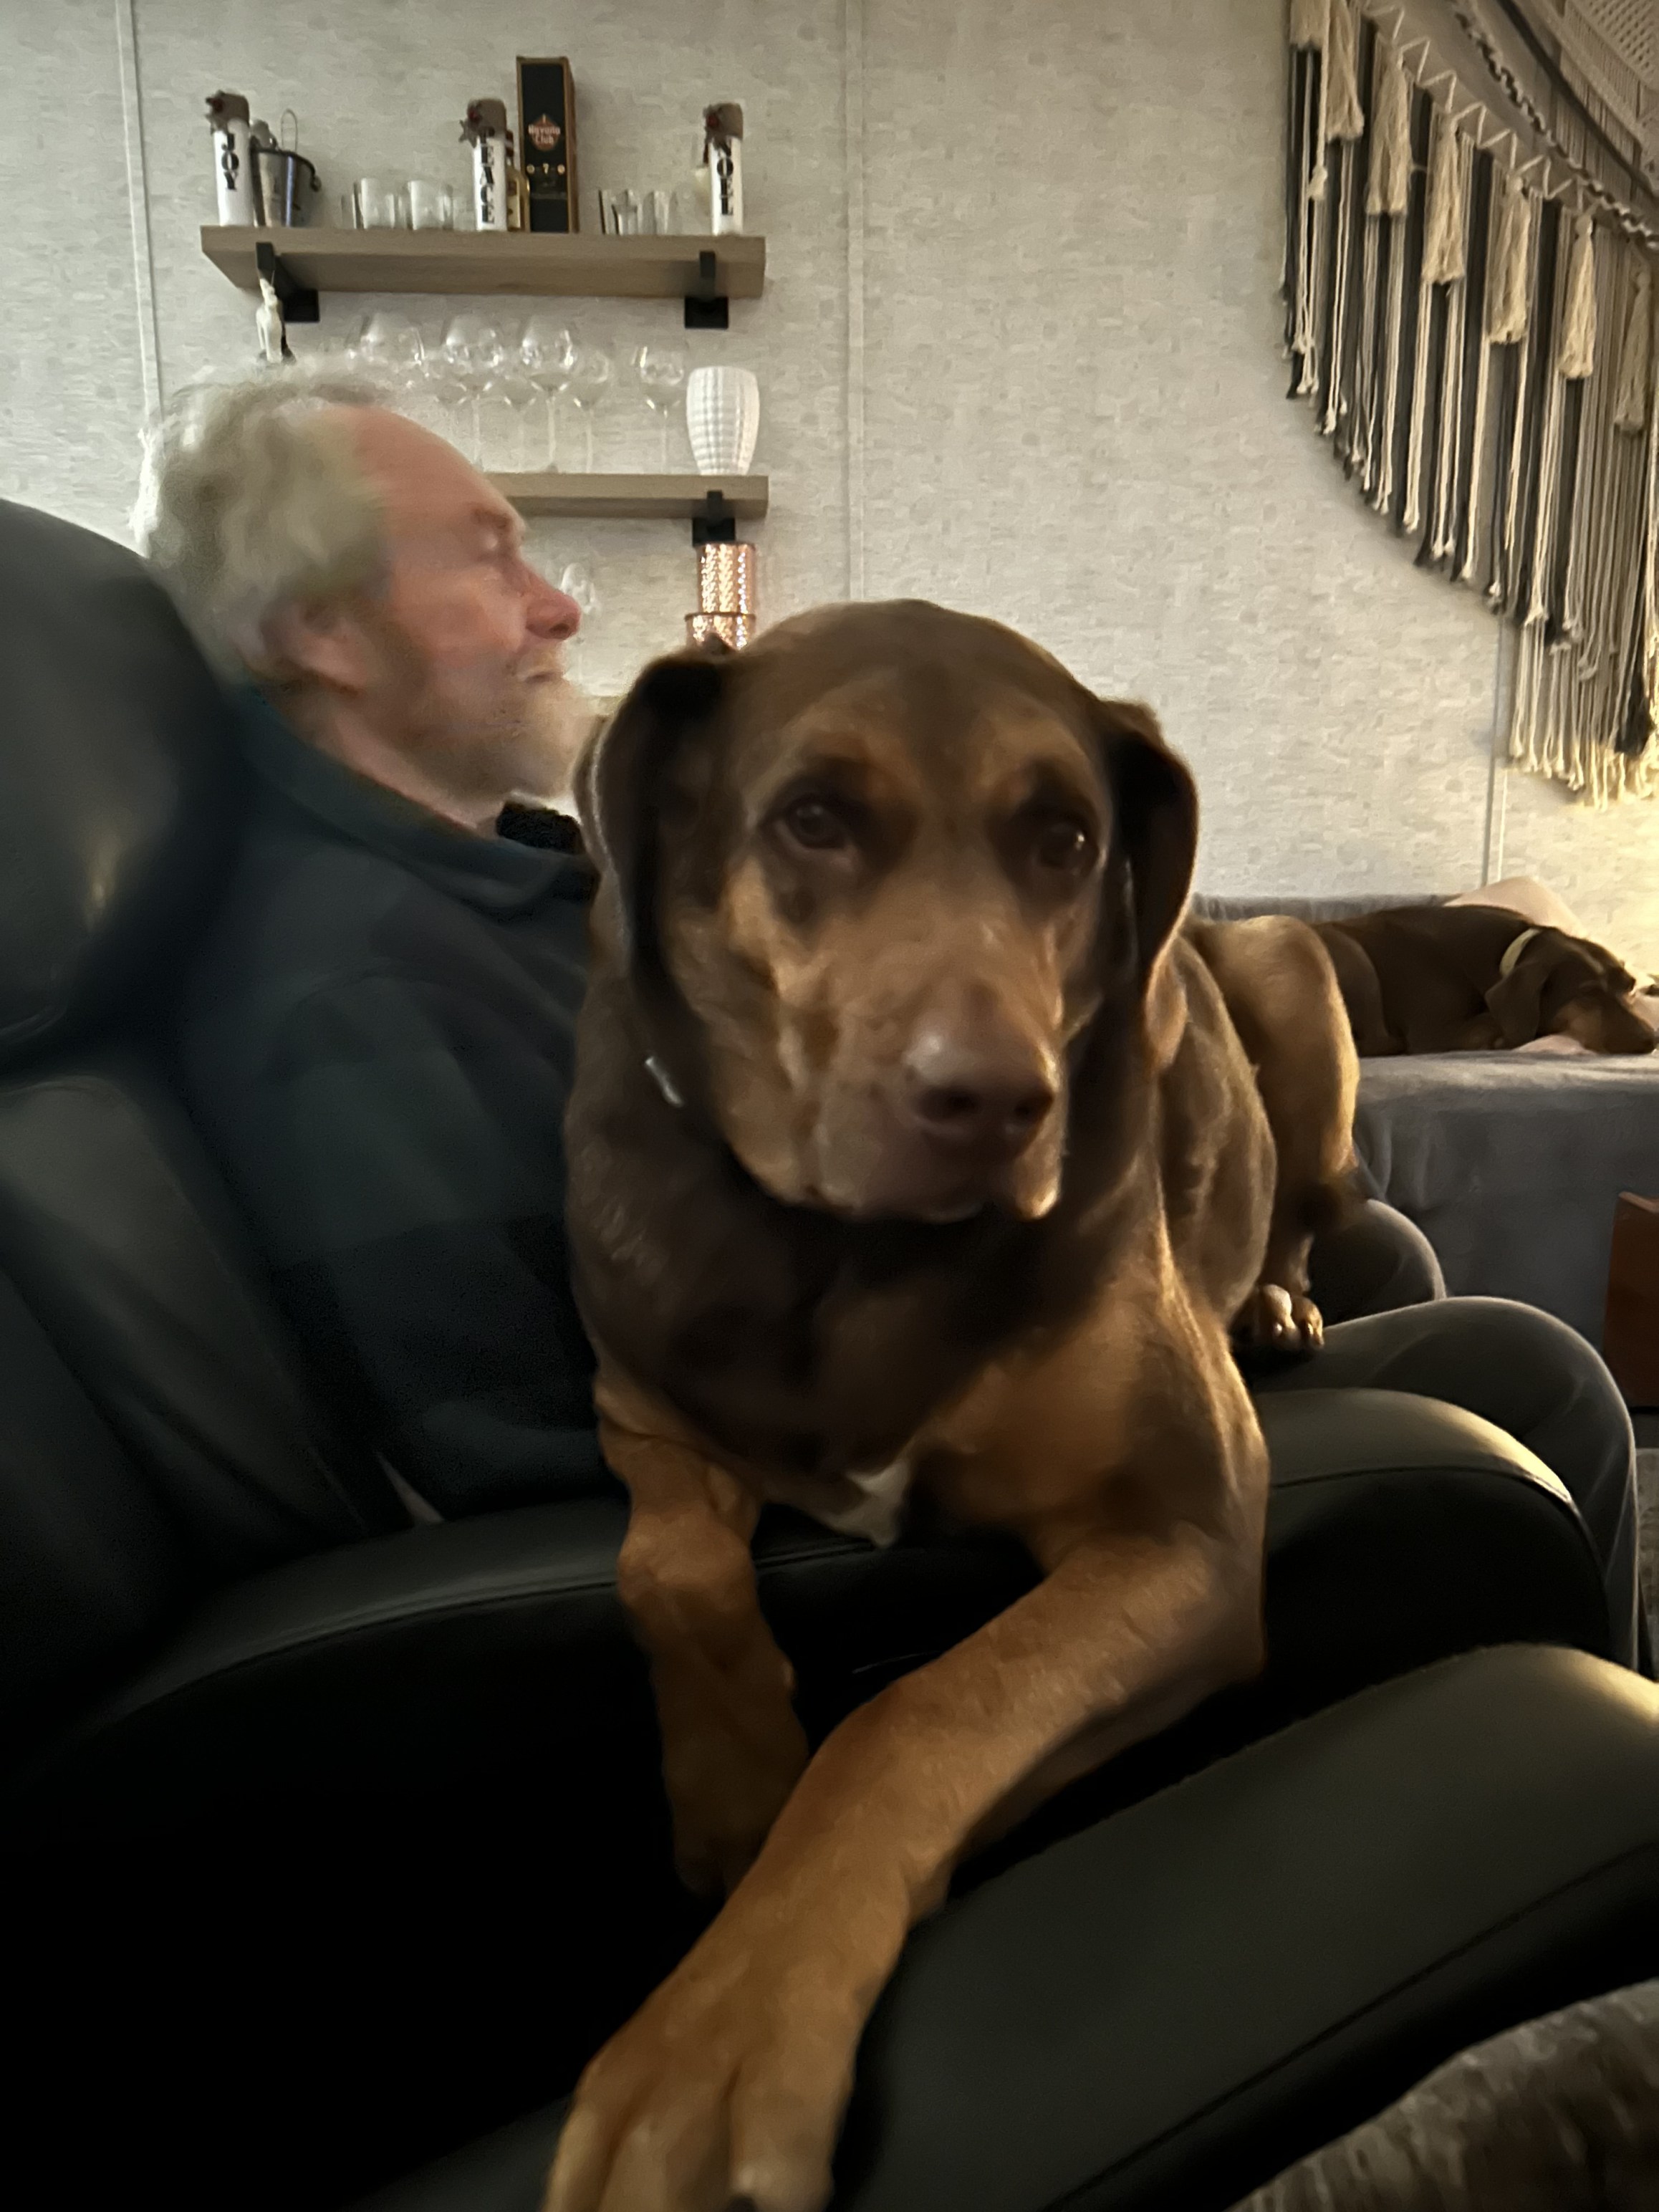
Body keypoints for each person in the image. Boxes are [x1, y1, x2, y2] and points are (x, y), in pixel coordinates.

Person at [147, 375, 1648, 1670]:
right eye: (488, 560)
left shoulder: (521, 870)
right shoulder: (344, 987)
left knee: (1370, 1250)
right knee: (1534, 1384)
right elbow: (519, 1461)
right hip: (860, 1529)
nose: (560, 601)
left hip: (886, 1344)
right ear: (322, 628)